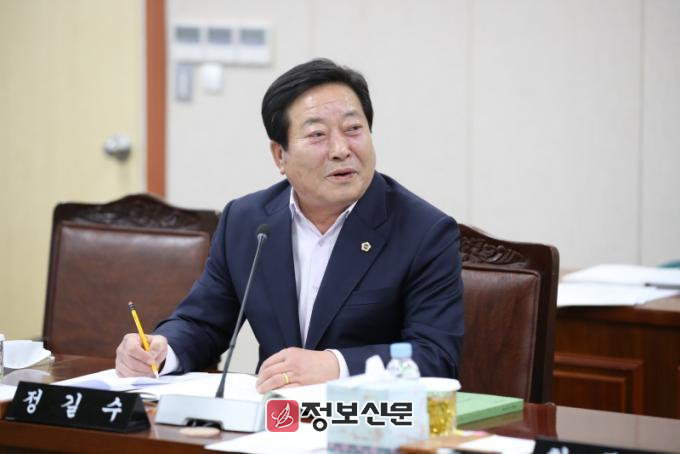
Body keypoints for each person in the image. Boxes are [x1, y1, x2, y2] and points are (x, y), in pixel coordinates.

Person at [115, 58, 464, 393]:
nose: (341, 149)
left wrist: (335, 366)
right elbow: (203, 323)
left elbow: (435, 357)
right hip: (271, 416)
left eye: (353, 129)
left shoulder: (424, 232)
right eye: (317, 134)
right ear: (279, 155)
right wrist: (162, 350)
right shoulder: (246, 221)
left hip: (365, 420)